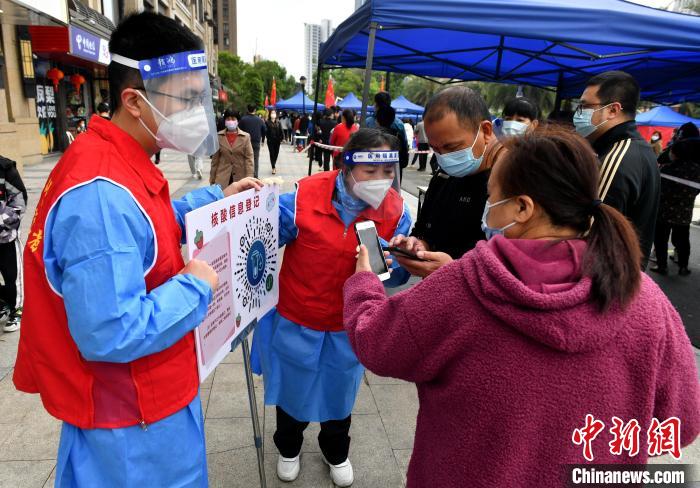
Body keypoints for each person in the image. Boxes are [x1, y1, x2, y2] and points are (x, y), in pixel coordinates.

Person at [344, 126, 700, 488]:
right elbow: (682, 422)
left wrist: (363, 282)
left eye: (492, 197)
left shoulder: (464, 288)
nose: (487, 210)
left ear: (522, 207)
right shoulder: (644, 298)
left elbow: (375, 341)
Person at [13, 13, 263, 487]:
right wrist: (196, 286)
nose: (198, 112)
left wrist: (213, 200)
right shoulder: (101, 195)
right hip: (132, 426)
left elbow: (143, 231)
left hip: (149, 401)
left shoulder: (113, 160)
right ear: (133, 100)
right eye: (187, 99)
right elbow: (111, 332)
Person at [251, 128, 412, 487]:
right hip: (299, 317)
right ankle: (288, 447)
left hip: (348, 325)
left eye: (389, 171)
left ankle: (335, 450)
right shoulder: (303, 196)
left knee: (340, 394)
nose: (381, 181)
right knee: (292, 392)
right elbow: (262, 241)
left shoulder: (397, 212)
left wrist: (401, 259)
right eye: (371, 171)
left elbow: (396, 278)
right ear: (345, 164)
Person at [390, 86, 494, 277]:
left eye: (451, 147)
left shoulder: (511, 184)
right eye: (435, 149)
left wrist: (455, 271)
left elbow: (517, 272)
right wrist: (419, 244)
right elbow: (424, 226)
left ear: (486, 131)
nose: (444, 158)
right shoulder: (444, 175)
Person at [574, 70, 660, 268]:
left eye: (585, 106)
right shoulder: (637, 148)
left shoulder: (617, 158)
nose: (578, 113)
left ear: (613, 110)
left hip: (608, 279)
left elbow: (589, 236)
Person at [651, 122, 700, 276]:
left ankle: (662, 266)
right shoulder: (697, 169)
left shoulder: (668, 167)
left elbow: (661, 160)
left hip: (664, 210)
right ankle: (683, 266)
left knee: (661, 238)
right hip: (684, 210)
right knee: (683, 238)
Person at [0, 154, 26, 332]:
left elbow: (20, 200)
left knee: (13, 275)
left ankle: (17, 308)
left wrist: (3, 219)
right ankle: (3, 303)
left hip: (6, 235)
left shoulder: (5, 168)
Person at [366, 92, 409, 177]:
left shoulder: (368, 122)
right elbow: (404, 146)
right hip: (394, 169)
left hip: (371, 168)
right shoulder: (399, 124)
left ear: (376, 104)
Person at [210, 108, 254, 187]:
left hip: (240, 178)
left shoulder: (246, 137)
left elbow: (249, 159)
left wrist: (250, 178)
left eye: (233, 119)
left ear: (237, 121)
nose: (230, 121)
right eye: (228, 119)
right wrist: (212, 179)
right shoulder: (218, 136)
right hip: (222, 178)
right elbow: (215, 160)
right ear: (225, 121)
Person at [238, 104, 266, 177]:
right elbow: (264, 130)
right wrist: (262, 140)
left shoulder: (243, 119)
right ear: (255, 110)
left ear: (247, 110)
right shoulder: (260, 120)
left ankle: (245, 175)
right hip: (256, 142)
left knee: (245, 159)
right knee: (255, 159)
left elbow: (238, 130)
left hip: (244, 142)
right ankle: (255, 175)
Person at [266, 109, 284, 175]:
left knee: (276, 154)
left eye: (274, 113)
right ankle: (273, 167)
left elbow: (281, 130)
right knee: (272, 154)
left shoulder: (278, 122)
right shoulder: (267, 122)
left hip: (277, 141)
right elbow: (265, 131)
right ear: (270, 114)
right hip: (270, 141)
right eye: (272, 113)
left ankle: (273, 164)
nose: (273, 114)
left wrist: (282, 138)